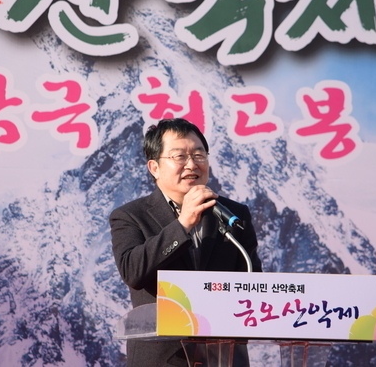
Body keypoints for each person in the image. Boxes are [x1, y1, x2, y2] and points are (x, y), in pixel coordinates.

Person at [110, 118, 262, 367]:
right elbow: (132, 271)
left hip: (223, 356)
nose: (192, 164)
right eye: (179, 156)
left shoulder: (233, 214)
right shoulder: (130, 216)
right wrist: (182, 225)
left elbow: (252, 281)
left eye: (199, 155)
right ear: (155, 167)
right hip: (163, 358)